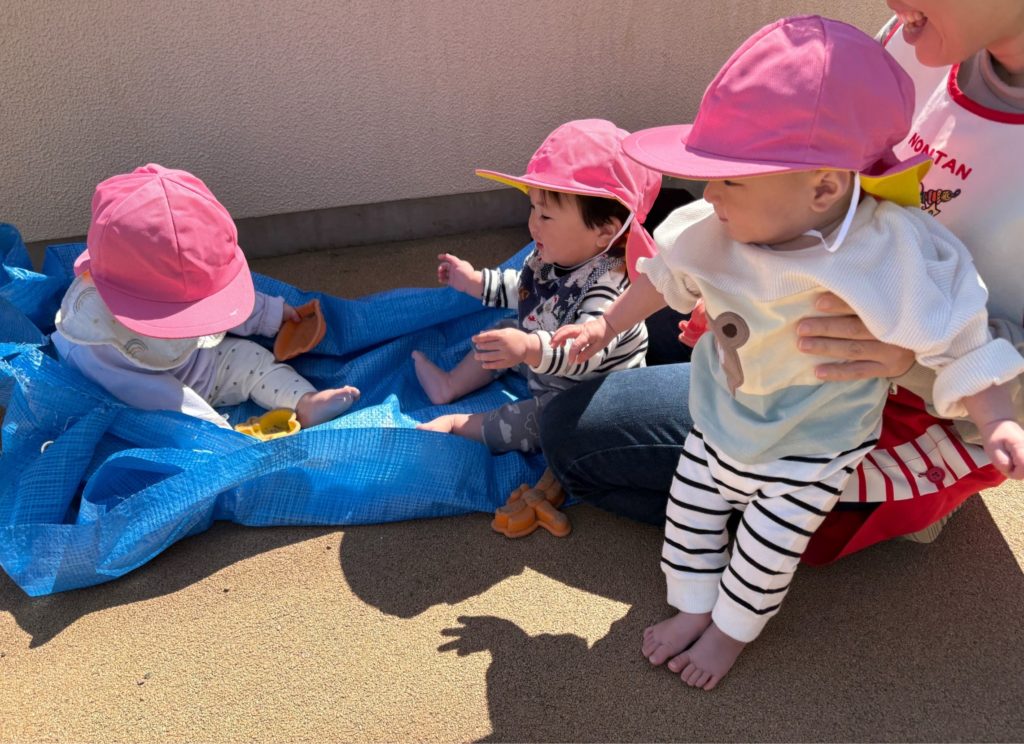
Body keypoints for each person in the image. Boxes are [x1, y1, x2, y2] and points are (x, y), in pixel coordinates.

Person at [550, 15, 1024, 690]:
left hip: (813, 446)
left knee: (765, 552)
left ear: (824, 189)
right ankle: (692, 605)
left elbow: (961, 333)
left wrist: (999, 419)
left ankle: (731, 631)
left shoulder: (888, 251)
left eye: (730, 181)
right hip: (722, 418)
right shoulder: (717, 224)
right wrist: (602, 327)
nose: (710, 195)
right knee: (689, 516)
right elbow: (663, 274)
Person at [52, 164, 360, 432]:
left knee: (252, 359)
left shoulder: (152, 280)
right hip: (146, 406)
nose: (199, 311)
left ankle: (304, 401)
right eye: (183, 310)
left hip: (201, 364)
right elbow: (165, 403)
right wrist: (218, 433)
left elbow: (225, 303)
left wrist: (272, 314)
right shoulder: (98, 343)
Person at [413, 119, 660, 453]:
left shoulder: (611, 288)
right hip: (543, 357)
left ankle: (460, 425)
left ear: (604, 231)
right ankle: (450, 385)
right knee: (504, 332)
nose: (533, 224)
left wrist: (527, 348)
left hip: (582, 390)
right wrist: (475, 281)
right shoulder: (555, 256)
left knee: (546, 422)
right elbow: (524, 288)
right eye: (533, 208)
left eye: (546, 216)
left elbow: (582, 352)